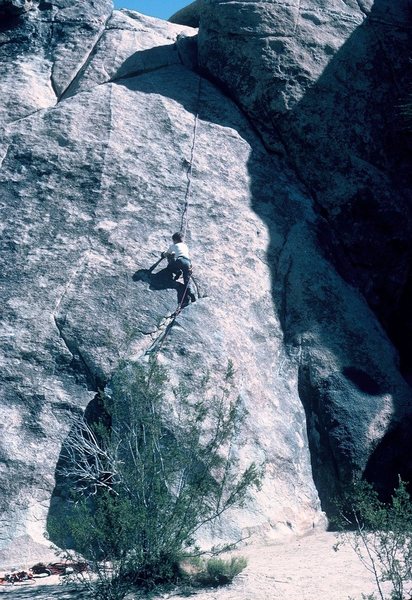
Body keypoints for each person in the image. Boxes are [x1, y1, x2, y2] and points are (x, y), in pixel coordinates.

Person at [162, 232, 196, 304]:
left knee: (170, 266)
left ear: (174, 240)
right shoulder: (185, 246)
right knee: (187, 280)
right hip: (188, 263)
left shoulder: (174, 245)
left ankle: (177, 271)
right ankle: (191, 292)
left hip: (180, 260)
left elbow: (167, 254)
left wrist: (163, 254)